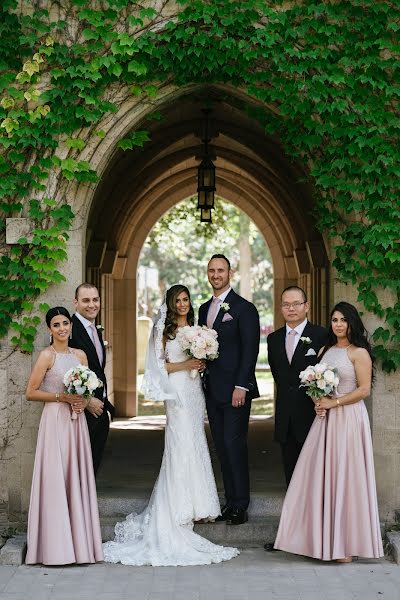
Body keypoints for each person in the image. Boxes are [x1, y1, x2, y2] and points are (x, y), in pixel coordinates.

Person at [103, 284, 239, 566]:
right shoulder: (163, 331)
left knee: (195, 442)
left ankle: (199, 505)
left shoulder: (196, 328)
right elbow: (159, 366)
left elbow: (200, 359)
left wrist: (201, 361)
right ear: (170, 303)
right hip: (176, 392)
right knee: (179, 444)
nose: (182, 304)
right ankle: (178, 506)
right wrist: (187, 365)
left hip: (193, 392)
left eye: (186, 299)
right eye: (177, 300)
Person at [274, 301, 384, 562]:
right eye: (334, 320)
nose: (338, 325)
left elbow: (363, 390)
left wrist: (333, 403)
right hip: (326, 420)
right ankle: (320, 540)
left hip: (349, 419)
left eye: (343, 320)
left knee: (347, 478)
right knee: (319, 477)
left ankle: (345, 546)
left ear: (352, 323)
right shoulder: (326, 349)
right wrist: (318, 402)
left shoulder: (359, 353)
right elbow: (316, 382)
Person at [25, 307, 103, 566]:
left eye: (65, 323)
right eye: (56, 325)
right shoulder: (46, 356)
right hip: (55, 421)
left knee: (74, 476)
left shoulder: (80, 356)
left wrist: (84, 401)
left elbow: (87, 389)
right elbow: (31, 392)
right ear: (50, 329)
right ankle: (55, 548)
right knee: (56, 478)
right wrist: (62, 397)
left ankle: (80, 546)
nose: (62, 328)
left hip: (75, 422)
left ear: (71, 326)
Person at [198, 255, 260, 525]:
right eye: (211, 270)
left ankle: (240, 505)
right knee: (221, 447)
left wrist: (241, 385)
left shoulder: (244, 309)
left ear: (230, 273)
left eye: (220, 270)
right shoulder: (202, 309)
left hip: (236, 390)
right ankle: (229, 500)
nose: (216, 274)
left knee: (235, 445)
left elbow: (250, 350)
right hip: (212, 389)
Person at [267, 286, 328, 487]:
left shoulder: (321, 335)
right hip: (286, 417)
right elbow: (278, 375)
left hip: (312, 414)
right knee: (291, 474)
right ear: (281, 308)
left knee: (315, 474)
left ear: (307, 306)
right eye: (286, 304)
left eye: (296, 304)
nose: (291, 308)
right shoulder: (273, 339)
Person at [70, 283, 114, 475]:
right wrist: (87, 402)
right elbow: (63, 372)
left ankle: (86, 504)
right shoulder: (69, 329)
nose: (92, 305)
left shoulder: (95, 329)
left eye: (95, 300)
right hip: (81, 411)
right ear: (76, 302)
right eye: (86, 300)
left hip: (100, 410)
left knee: (91, 468)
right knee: (79, 468)